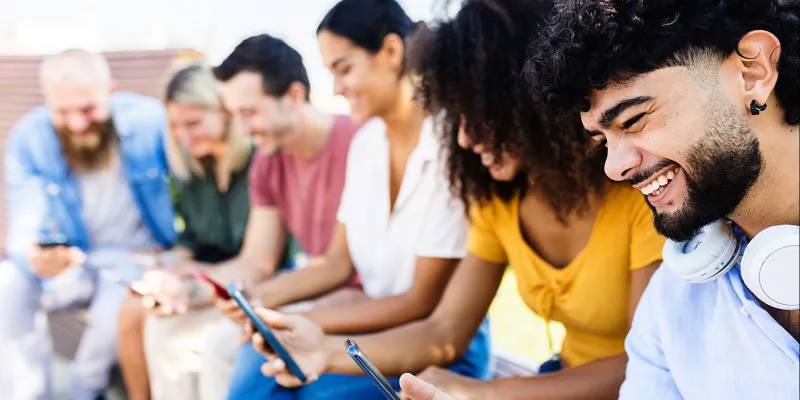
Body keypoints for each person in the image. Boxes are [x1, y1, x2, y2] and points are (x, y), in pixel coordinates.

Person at [250, 0, 665, 399]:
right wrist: (323, 350)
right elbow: (444, 331)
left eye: (477, 113)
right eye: (457, 117)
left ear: (530, 99)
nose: (464, 138)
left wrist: (481, 393)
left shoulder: (636, 196)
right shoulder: (497, 203)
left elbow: (645, 365)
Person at [527, 0, 799, 398]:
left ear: (752, 73)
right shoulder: (670, 303)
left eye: (633, 120)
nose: (614, 168)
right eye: (603, 140)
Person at [228, 0, 493, 398]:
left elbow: (421, 303)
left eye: (344, 69)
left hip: (429, 348)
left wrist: (304, 323)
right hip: (373, 329)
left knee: (302, 389)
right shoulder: (367, 143)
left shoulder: (452, 146)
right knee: (258, 364)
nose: (336, 88)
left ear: (391, 51)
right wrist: (260, 301)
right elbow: (337, 263)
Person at [0, 49, 176, 400]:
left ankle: (85, 389)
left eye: (87, 109)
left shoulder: (150, 123)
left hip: (136, 259)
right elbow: (24, 223)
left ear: (111, 92)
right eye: (63, 112)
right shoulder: (30, 137)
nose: (78, 124)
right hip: (75, 263)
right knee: (9, 283)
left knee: (120, 298)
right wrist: (36, 257)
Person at [206, 33, 364, 398]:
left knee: (249, 357)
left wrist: (264, 299)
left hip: (363, 304)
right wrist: (197, 288)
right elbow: (256, 260)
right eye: (235, 116)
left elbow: (344, 269)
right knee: (222, 345)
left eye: (249, 113)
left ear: (293, 95)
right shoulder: (268, 160)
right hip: (318, 296)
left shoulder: (359, 142)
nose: (242, 131)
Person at [114, 63, 255, 400]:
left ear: (224, 111)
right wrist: (167, 267)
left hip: (248, 284)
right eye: (175, 126)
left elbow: (260, 260)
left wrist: (190, 278)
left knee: (175, 333)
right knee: (144, 313)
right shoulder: (194, 171)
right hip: (207, 279)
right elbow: (190, 241)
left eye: (192, 123)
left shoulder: (257, 163)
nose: (183, 136)